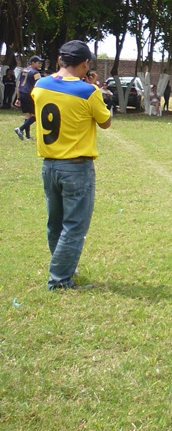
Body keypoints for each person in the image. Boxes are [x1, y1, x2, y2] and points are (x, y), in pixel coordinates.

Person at [30, 41, 112, 289]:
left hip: (49, 165)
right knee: (74, 225)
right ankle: (60, 279)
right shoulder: (88, 92)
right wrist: (94, 87)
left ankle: (63, 267)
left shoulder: (40, 86)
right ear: (86, 64)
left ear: (59, 60)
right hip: (76, 167)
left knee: (55, 223)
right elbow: (105, 122)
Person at [14, 55, 43, 140]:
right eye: (38, 63)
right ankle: (20, 129)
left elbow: (18, 84)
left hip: (22, 93)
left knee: (28, 114)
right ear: (33, 63)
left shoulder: (23, 71)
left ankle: (27, 136)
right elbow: (39, 85)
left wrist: (18, 98)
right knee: (36, 115)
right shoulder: (36, 73)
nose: (40, 65)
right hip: (30, 94)